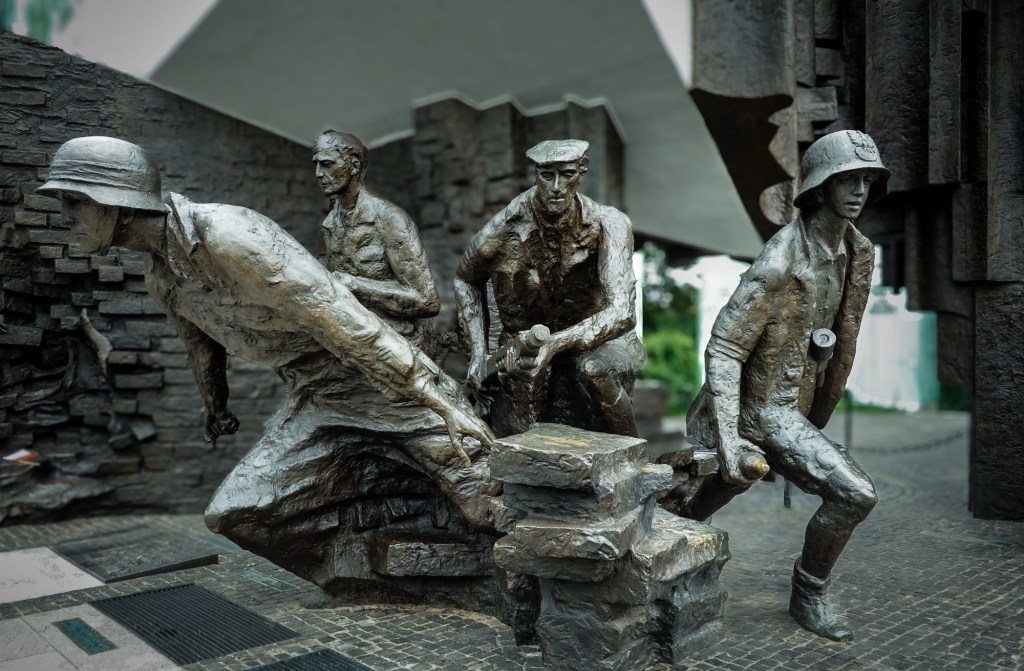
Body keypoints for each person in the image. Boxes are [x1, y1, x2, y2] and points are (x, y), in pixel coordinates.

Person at [38, 136, 497, 583]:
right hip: (315, 397)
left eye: (74, 202)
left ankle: (454, 523)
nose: (65, 217)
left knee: (484, 503)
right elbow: (201, 345)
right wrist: (215, 406)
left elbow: (344, 318)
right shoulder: (161, 276)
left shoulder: (228, 234)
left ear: (116, 201)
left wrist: (439, 398)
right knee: (235, 514)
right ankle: (389, 527)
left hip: (383, 384)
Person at [682, 130, 888, 641]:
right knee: (855, 494)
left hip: (799, 405)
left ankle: (671, 530)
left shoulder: (858, 251)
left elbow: (843, 330)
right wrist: (730, 439)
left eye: (867, 180)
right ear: (821, 186)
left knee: (710, 496)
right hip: (763, 410)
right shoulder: (780, 262)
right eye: (848, 179)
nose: (859, 190)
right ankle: (809, 592)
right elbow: (725, 348)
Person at [454, 139, 644, 437]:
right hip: (527, 340)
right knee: (523, 415)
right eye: (546, 175)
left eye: (566, 175)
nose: (556, 187)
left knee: (594, 371)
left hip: (599, 339)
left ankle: (631, 452)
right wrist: (478, 352)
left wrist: (556, 343)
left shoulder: (610, 224)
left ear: (581, 172)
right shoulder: (504, 227)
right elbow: (465, 279)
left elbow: (622, 312)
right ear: (536, 175)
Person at [313, 131, 439, 348]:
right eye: (315, 165)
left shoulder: (390, 219)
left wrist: (355, 285)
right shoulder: (329, 225)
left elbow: (427, 301)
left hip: (400, 342)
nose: (318, 174)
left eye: (326, 164)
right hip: (351, 336)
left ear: (354, 165)